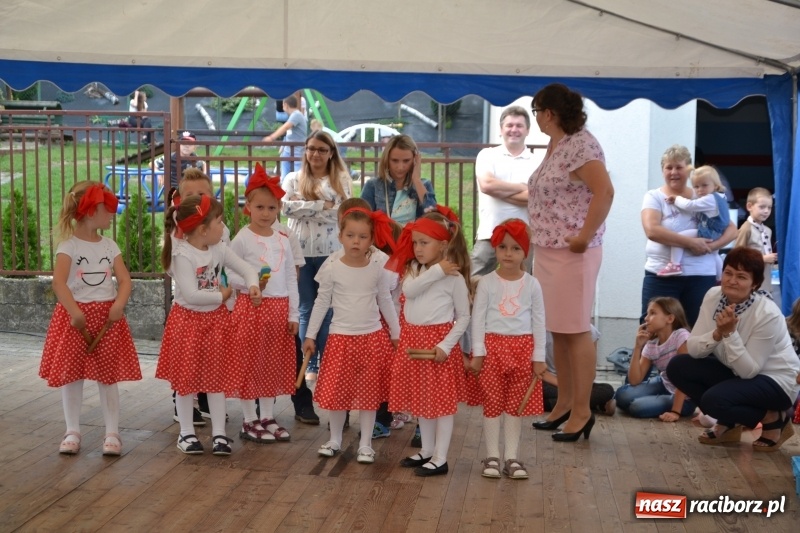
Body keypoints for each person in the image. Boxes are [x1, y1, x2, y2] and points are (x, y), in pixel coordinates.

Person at [527, 83, 614, 442]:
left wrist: (583, 235)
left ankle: (582, 411)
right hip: (549, 250)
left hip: (573, 252)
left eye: (537, 113)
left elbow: (604, 191)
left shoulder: (581, 144)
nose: (537, 120)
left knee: (576, 330)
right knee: (559, 331)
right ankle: (563, 403)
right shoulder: (559, 144)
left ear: (549, 112)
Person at [39, 181, 141, 456]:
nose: (112, 215)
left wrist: (119, 304)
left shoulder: (110, 246)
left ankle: (112, 433)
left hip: (107, 319)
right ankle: (72, 430)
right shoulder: (68, 246)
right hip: (76, 319)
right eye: (107, 209)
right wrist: (74, 313)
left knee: (108, 377)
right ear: (90, 211)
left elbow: (124, 279)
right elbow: (59, 283)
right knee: (72, 376)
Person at [156, 195, 261, 456]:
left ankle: (219, 435)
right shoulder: (182, 254)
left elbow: (246, 268)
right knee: (186, 381)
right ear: (203, 229)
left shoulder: (218, 248)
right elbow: (191, 295)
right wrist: (222, 296)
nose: (223, 226)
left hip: (215, 323)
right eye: (219, 221)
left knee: (216, 380)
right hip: (188, 323)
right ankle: (187, 434)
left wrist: (253, 285)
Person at [666, 247, 800, 451]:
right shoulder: (713, 296)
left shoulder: (767, 313)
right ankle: (730, 423)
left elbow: (750, 371)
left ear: (754, 283)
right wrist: (717, 334)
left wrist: (729, 334)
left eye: (741, 276)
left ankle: (774, 419)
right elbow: (693, 349)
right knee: (678, 366)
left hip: (777, 381)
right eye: (728, 273)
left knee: (714, 401)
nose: (732, 281)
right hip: (737, 372)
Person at [302, 207, 400, 464]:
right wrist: (310, 335)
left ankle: (366, 444)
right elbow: (321, 302)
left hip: (371, 338)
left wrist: (396, 333)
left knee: (369, 395)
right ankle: (335, 439)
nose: (356, 241)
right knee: (338, 393)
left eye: (363, 236)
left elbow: (385, 300)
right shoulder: (332, 265)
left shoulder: (378, 266)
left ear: (371, 239)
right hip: (340, 339)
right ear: (340, 236)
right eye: (351, 235)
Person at [386, 212, 471, 477]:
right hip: (413, 342)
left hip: (437, 347)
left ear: (443, 245)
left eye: (425, 242)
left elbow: (464, 316)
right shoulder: (413, 271)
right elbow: (409, 292)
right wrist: (436, 271)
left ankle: (441, 457)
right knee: (423, 399)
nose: (418, 248)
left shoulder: (454, 278)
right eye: (416, 243)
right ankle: (427, 449)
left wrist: (445, 346)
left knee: (442, 404)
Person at [466, 219, 546, 480]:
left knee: (515, 406)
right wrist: (478, 352)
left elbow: (539, 321)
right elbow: (478, 318)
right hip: (492, 349)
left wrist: (539, 357)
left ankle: (511, 457)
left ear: (525, 252)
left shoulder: (533, 285)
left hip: (523, 350)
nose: (508, 253)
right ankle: (492, 456)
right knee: (492, 403)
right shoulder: (487, 282)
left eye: (515, 248)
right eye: (503, 247)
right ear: (496, 250)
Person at [229, 164, 298, 443]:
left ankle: (267, 416)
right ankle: (249, 420)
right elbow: (229, 273)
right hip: (252, 309)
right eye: (260, 207)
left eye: (271, 208)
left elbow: (291, 276)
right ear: (248, 207)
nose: (266, 213)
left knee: (271, 364)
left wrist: (294, 313)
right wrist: (251, 284)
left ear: (278, 208)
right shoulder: (242, 238)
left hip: (279, 310)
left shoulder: (283, 238)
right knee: (249, 364)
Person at [641, 145, 737, 327]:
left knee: (697, 330)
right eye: (668, 167)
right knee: (653, 330)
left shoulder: (703, 194)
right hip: (661, 276)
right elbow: (652, 230)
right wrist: (690, 243)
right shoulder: (654, 196)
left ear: (689, 169)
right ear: (662, 171)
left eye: (679, 167)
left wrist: (710, 246)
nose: (674, 172)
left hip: (700, 276)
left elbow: (731, 229)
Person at [282, 131, 352, 381]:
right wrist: (322, 205)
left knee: (327, 310)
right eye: (311, 148)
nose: (316, 154)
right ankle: (308, 365)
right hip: (299, 253)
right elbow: (285, 208)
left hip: (329, 254)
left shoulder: (340, 180)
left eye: (322, 149)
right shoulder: (292, 178)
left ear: (331, 153)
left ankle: (325, 363)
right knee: (305, 309)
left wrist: (303, 206)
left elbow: (341, 213)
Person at [471, 106, 538, 275]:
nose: (514, 129)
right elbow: (486, 185)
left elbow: (536, 197)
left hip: (523, 236)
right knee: (473, 282)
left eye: (519, 125)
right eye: (509, 125)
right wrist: (523, 187)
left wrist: (498, 191)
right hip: (489, 233)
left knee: (521, 288)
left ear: (527, 130)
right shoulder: (487, 155)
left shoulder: (537, 161)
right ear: (501, 130)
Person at [614, 297, 695, 421]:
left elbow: (686, 378)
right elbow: (635, 380)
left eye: (652, 313)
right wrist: (637, 347)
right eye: (647, 313)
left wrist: (675, 412)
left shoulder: (681, 336)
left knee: (637, 407)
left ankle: (664, 403)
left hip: (685, 396)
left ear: (670, 318)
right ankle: (656, 400)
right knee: (621, 395)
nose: (646, 318)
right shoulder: (651, 344)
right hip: (664, 383)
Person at [659, 166, 731, 277]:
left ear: (716, 185)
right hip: (718, 232)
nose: (700, 190)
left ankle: (675, 265)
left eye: (704, 185)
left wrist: (676, 199)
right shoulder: (721, 197)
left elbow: (690, 205)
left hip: (709, 232)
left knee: (680, 238)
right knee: (715, 255)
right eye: (696, 186)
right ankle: (720, 278)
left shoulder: (709, 199)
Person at [537, 326, 616, 417]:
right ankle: (594, 405)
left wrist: (577, 387)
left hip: (578, 383)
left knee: (606, 390)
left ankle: (548, 405)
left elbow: (590, 373)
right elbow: (541, 371)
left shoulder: (590, 331)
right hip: (552, 382)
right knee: (541, 389)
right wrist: (564, 386)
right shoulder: (544, 330)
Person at [360, 134, 437, 225]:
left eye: (406, 161)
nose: (400, 167)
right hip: (383, 239)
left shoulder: (424, 185)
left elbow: (434, 217)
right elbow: (362, 221)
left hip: (412, 239)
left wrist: (416, 180)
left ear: (414, 160)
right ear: (387, 159)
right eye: (395, 160)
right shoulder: (373, 185)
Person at [734, 187, 776, 292]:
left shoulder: (767, 230)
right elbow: (738, 255)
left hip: (766, 279)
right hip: (751, 281)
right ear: (749, 206)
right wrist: (762, 258)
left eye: (769, 207)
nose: (766, 211)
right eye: (762, 207)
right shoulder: (746, 229)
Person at [264, 95, 307, 182]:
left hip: (297, 152)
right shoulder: (293, 115)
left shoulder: (296, 115)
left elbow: (285, 128)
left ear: (286, 104)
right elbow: (289, 134)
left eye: (283, 104)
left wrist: (271, 137)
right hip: (289, 151)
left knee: (297, 178)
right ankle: (285, 192)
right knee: (284, 177)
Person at [155, 131, 206, 198]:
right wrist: (158, 173)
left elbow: (204, 163)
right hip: (173, 188)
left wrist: (205, 173)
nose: (186, 146)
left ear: (194, 146)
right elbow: (153, 163)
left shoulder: (195, 157)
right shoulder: (171, 157)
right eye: (183, 143)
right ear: (178, 145)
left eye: (190, 144)